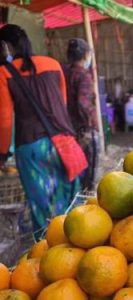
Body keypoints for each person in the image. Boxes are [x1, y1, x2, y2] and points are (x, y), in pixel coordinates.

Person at [0, 24, 80, 235]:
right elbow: (61, 104)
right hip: (63, 142)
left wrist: (2, 152)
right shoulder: (53, 64)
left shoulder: (4, 73)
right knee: (71, 204)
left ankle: (48, 253)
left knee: (42, 207)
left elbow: (5, 120)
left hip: (31, 147)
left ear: (5, 47)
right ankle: (75, 244)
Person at [63, 38, 99, 191]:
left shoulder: (64, 72)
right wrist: (91, 125)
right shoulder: (83, 75)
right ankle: (84, 205)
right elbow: (83, 104)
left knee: (72, 171)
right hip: (83, 131)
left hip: (66, 130)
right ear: (85, 55)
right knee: (87, 175)